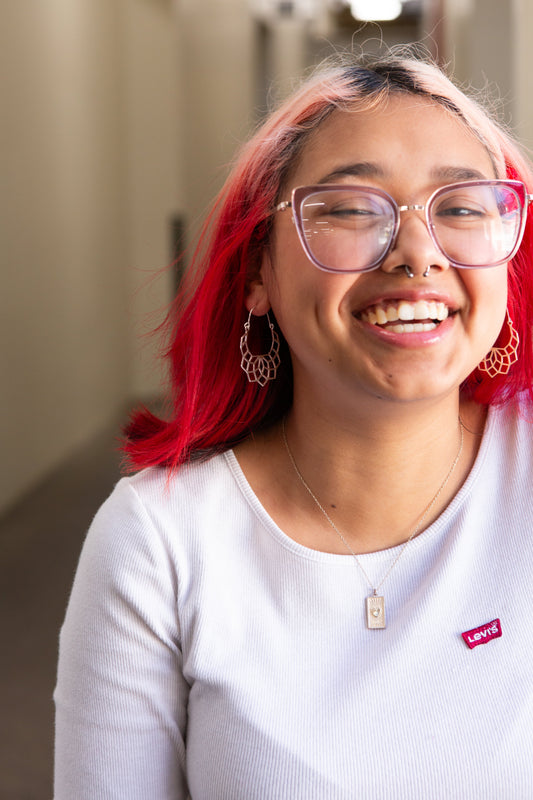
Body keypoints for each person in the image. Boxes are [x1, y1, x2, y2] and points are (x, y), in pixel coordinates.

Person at [54, 49, 533, 799]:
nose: (417, 254)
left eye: (462, 208)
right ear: (258, 271)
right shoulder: (160, 543)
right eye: (349, 209)